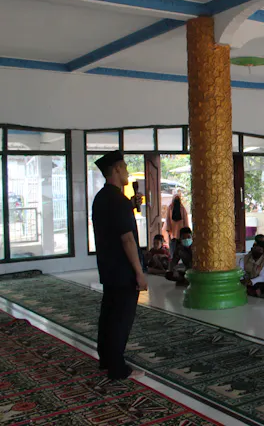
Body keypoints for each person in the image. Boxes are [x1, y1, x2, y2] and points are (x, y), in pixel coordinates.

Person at [91, 150, 146, 381]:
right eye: (124, 167)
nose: (127, 172)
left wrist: (130, 206)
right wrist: (139, 272)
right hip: (124, 270)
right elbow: (127, 239)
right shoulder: (118, 201)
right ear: (115, 170)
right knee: (121, 318)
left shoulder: (102, 198)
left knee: (109, 314)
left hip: (108, 267)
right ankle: (117, 368)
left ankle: (106, 359)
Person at [164, 192, 189, 258]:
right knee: (173, 249)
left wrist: (186, 231)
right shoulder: (170, 208)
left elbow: (185, 220)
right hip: (172, 233)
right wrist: (168, 230)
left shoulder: (182, 208)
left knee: (181, 248)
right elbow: (168, 219)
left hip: (181, 232)